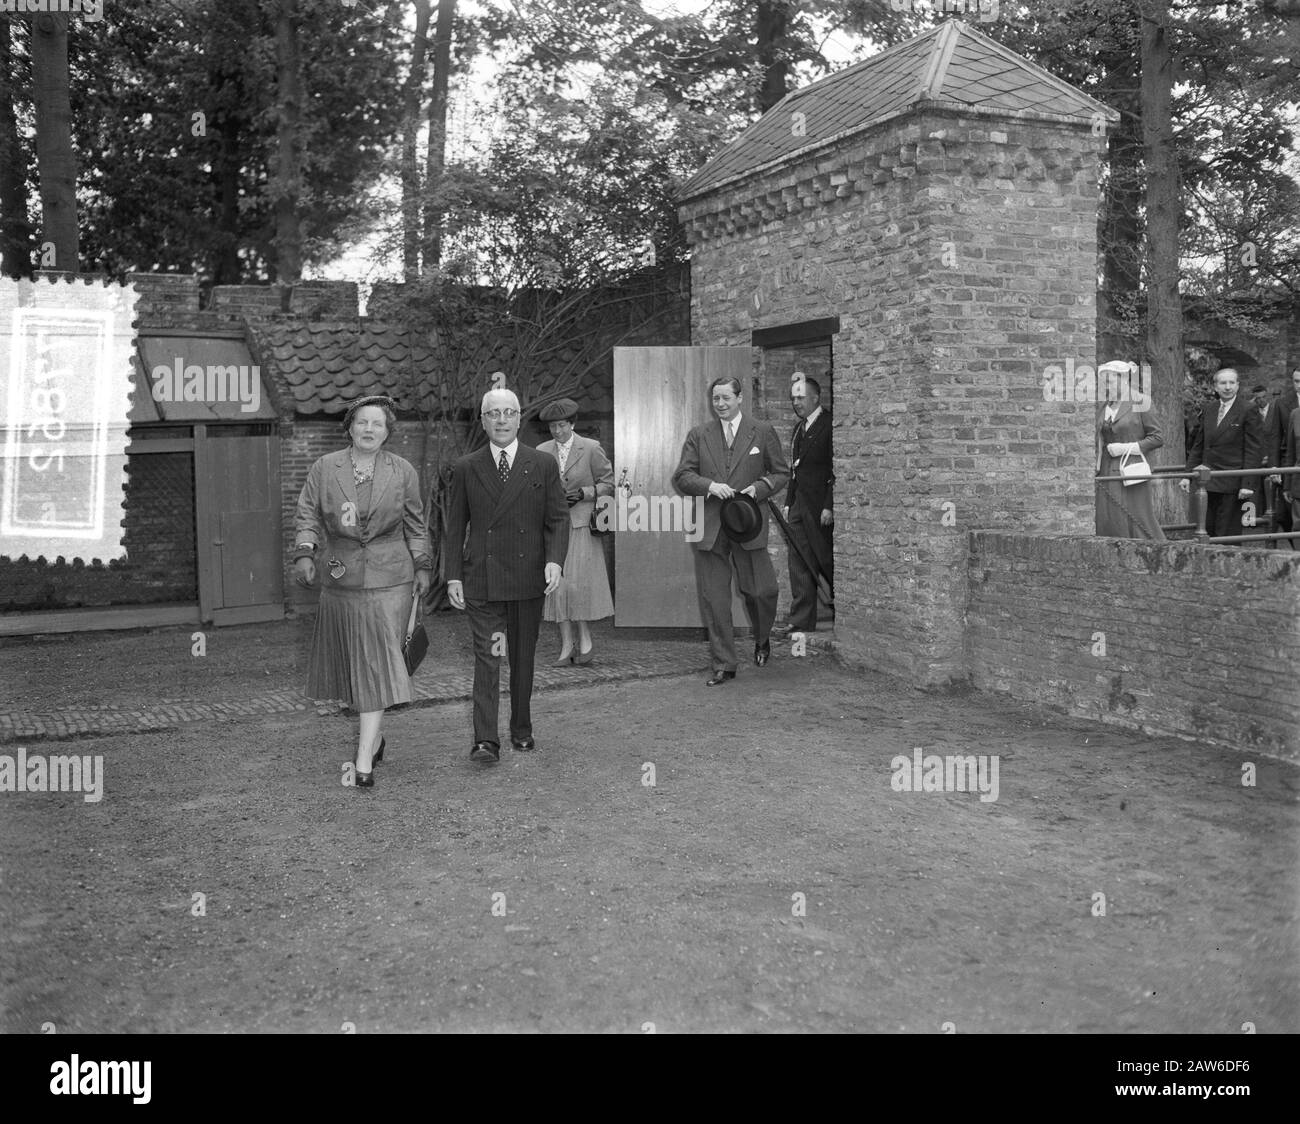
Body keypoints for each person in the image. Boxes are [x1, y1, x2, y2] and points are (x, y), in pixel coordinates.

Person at [293, 395, 432, 790]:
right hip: (342, 576)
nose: (369, 430)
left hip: (392, 579)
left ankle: (363, 759)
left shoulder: (402, 471)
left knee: (378, 660)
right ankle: (376, 736)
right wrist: (306, 552)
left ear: (388, 433)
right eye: (362, 423)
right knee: (357, 661)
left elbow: (416, 525)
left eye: (378, 424)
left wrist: (422, 566)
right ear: (350, 427)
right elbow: (307, 514)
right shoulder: (325, 468)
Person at [445, 388, 569, 762]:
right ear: (483, 421)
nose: (501, 420)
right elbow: (455, 527)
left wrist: (555, 560)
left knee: (522, 658)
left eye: (508, 413)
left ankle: (521, 728)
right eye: (493, 414)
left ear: (519, 418)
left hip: (528, 578)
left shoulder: (542, 464)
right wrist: (453, 576)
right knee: (488, 657)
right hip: (483, 581)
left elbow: (558, 518)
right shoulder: (467, 467)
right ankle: (486, 739)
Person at [672, 376, 789, 685]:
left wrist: (759, 487)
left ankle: (762, 637)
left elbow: (780, 473)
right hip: (710, 525)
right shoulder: (699, 435)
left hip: (748, 523)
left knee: (762, 591)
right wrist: (709, 485)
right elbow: (683, 476)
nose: (720, 404)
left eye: (725, 398)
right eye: (716, 399)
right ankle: (725, 663)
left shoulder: (762, 432)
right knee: (715, 598)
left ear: (740, 398)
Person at [536, 398, 614, 665]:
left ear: (572, 424)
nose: (557, 432)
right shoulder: (542, 450)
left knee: (577, 585)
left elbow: (609, 483)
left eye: (561, 426)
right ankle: (567, 644)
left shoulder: (591, 448)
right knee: (557, 586)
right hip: (552, 526)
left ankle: (585, 640)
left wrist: (584, 493)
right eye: (552, 427)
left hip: (581, 524)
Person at [1180, 367, 1263, 540]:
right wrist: (1187, 475)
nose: (1227, 387)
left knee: (1227, 533)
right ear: (1215, 387)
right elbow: (1199, 445)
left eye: (1232, 382)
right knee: (1206, 529)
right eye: (1223, 383)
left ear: (1238, 385)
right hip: (1208, 481)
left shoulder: (1248, 409)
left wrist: (1247, 482)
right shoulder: (1209, 408)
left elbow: (1253, 448)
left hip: (1232, 481)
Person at [783, 373, 834, 631]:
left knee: (826, 559)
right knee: (800, 561)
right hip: (799, 505)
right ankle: (801, 621)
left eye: (801, 397)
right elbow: (795, 469)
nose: (796, 402)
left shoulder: (830, 424)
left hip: (819, 506)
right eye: (794, 398)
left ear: (815, 397)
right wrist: (788, 502)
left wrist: (829, 504)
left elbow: (834, 469)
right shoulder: (798, 429)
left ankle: (841, 608)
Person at [1095, 362, 1165, 540]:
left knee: (1137, 517)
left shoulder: (1141, 401)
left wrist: (1127, 448)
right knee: (1109, 516)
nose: (1105, 386)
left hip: (1132, 469)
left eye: (1109, 382)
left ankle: (1156, 552)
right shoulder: (1103, 406)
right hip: (1106, 469)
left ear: (1124, 380)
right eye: (1102, 382)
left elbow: (1157, 438)